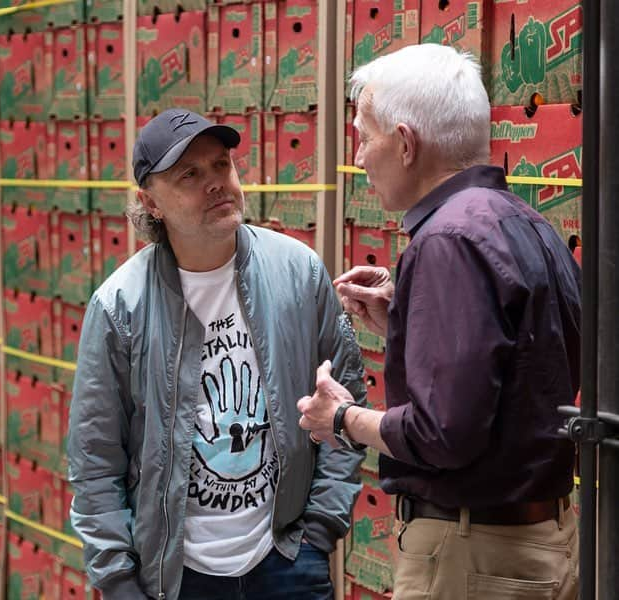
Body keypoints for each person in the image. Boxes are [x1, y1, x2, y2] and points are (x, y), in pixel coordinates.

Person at [297, 44, 581, 599]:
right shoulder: (525, 222)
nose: (357, 157)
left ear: (405, 143)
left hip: (473, 558)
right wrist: (404, 321)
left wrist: (342, 418)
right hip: (535, 542)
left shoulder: (448, 240)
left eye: (364, 136)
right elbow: (521, 369)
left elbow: (442, 434)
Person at [67, 108, 367, 600]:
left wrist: (319, 530)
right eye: (190, 174)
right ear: (151, 203)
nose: (216, 183)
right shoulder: (121, 306)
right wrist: (119, 582)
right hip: (178, 577)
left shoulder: (298, 273)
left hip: (287, 558)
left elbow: (344, 398)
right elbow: (95, 458)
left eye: (222, 165)